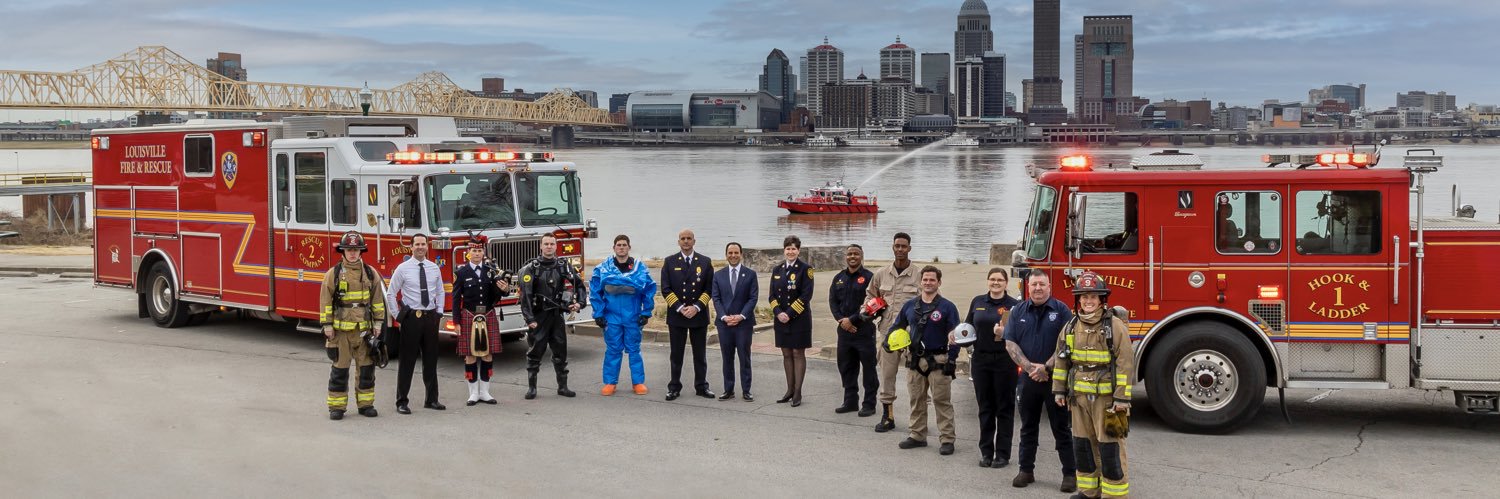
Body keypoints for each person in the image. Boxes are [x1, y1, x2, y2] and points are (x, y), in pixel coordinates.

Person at [1054, 272, 1134, 499]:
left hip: (1107, 400)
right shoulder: (1070, 327)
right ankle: (1089, 492)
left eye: (1093, 297)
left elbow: (1125, 363)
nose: (1088, 301)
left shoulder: (1115, 326)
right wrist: (1059, 390)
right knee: (1083, 447)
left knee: (1110, 448)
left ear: (1101, 300)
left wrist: (1121, 398)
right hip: (1078, 399)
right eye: (1084, 297)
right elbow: (1062, 360)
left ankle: (1114, 495)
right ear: (1078, 300)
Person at [1004, 271, 1077, 492]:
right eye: (1034, 284)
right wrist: (1030, 368)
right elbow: (1010, 342)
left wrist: (1045, 367)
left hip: (1055, 381)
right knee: (1027, 427)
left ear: (1049, 286)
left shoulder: (1062, 310)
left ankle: (1069, 474)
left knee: (1061, 428)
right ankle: (1026, 470)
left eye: (1041, 284)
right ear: (1029, 287)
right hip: (1028, 381)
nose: (1037, 288)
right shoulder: (1018, 311)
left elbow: (1067, 345)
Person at [890, 265, 960, 455]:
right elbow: (897, 326)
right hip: (914, 360)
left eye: (932, 280)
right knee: (916, 399)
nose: (928, 283)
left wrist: (951, 360)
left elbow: (956, 336)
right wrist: (889, 342)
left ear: (939, 282)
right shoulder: (910, 305)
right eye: (925, 280)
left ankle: (947, 439)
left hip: (938, 359)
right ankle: (917, 435)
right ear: (920, 282)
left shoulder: (947, 307)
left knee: (941, 401)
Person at [319, 231, 387, 420]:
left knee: (366, 370)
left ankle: (366, 405)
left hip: (364, 332)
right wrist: (327, 325)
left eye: (356, 249)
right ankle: (337, 407)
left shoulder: (370, 273)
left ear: (361, 251)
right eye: (349, 249)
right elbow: (325, 302)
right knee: (340, 371)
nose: (352, 253)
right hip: (341, 333)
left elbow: (377, 301)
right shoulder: (333, 274)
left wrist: (379, 323)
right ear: (343, 251)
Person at [517, 233, 586, 399]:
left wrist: (579, 303)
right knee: (534, 353)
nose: (549, 247)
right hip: (539, 317)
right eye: (546, 244)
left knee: (560, 352)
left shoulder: (564, 266)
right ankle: (532, 388)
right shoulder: (531, 268)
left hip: (557, 316)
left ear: (556, 246)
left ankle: (563, 387)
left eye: (552, 244)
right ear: (540, 246)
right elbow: (525, 297)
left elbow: (580, 286)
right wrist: (530, 319)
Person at [966, 268, 1021, 468]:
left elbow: (1022, 334)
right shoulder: (978, 302)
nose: (995, 283)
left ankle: (1003, 454)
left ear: (1006, 283)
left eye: (1000, 280)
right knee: (985, 408)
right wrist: (957, 336)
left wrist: (1005, 332)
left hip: (1005, 361)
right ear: (988, 281)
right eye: (992, 279)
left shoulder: (1015, 306)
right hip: (981, 360)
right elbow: (968, 327)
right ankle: (986, 452)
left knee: (1004, 409)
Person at [386, 233, 446, 415]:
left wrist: (439, 312)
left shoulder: (434, 268)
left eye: (423, 244)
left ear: (427, 247)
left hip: (430, 318)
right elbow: (390, 293)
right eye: (417, 244)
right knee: (407, 362)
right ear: (411, 247)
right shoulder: (402, 269)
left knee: (431, 360)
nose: (420, 247)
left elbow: (441, 291)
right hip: (412, 318)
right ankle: (402, 401)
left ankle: (432, 399)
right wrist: (398, 316)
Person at [866, 232, 920, 432]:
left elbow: (930, 302)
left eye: (904, 246)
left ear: (909, 249)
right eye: (897, 246)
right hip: (888, 334)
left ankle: (918, 420)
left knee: (915, 379)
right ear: (892, 247)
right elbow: (870, 296)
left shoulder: (919, 275)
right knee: (887, 376)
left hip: (912, 336)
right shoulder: (881, 274)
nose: (900, 249)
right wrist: (870, 309)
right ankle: (887, 417)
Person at [590, 235, 656, 396]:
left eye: (624, 245)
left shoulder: (639, 268)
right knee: (613, 350)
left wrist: (646, 312)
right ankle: (610, 383)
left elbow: (649, 290)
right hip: (611, 317)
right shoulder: (602, 268)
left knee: (634, 350)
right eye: (618, 245)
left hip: (632, 316)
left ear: (629, 247)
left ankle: (638, 382)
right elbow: (595, 292)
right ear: (614, 248)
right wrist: (598, 314)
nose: (621, 247)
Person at [451, 235, 512, 406]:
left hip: (488, 314)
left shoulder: (491, 271)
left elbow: (499, 293)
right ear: (468, 253)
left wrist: (506, 289)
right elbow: (456, 299)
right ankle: (473, 393)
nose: (477, 253)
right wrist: (456, 322)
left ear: (483, 252)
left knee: (487, 354)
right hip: (469, 316)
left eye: (479, 250)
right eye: (473, 250)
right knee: (469, 355)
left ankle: (485, 392)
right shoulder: (461, 273)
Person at [661, 229, 716, 401]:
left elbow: (709, 289)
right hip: (677, 316)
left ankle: (701, 386)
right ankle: (674, 387)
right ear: (678, 242)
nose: (686, 241)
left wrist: (697, 307)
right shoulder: (669, 262)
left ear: (694, 241)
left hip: (698, 316)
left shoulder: (705, 262)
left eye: (689, 239)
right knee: (676, 355)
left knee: (700, 354)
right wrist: (680, 307)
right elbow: (665, 288)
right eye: (683, 239)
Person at [828, 244, 877, 417]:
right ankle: (850, 401)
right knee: (846, 367)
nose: (852, 257)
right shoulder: (838, 278)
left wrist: (852, 319)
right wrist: (842, 320)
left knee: (869, 369)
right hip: (844, 331)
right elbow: (833, 302)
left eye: (856, 254)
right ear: (845, 257)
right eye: (849, 254)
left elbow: (874, 304)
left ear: (862, 256)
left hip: (864, 331)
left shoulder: (870, 277)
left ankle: (869, 403)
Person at [769, 235, 814, 407]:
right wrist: (778, 312)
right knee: (786, 353)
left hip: (799, 319)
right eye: (788, 248)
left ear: (799, 251)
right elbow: (772, 295)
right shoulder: (777, 269)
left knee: (797, 353)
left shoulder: (806, 269)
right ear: (784, 250)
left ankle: (797, 392)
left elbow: (806, 295)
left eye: (794, 248)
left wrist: (789, 313)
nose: (790, 251)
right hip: (781, 319)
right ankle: (789, 389)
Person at [711, 242, 758, 401]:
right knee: (727, 357)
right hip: (724, 324)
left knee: (744, 357)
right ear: (726, 255)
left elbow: (752, 298)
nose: (733, 255)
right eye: (730, 253)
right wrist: (724, 317)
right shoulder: (718, 275)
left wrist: (741, 316)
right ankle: (728, 389)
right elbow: (716, 298)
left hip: (743, 323)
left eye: (736, 252)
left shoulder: (750, 274)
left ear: (741, 254)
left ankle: (746, 390)